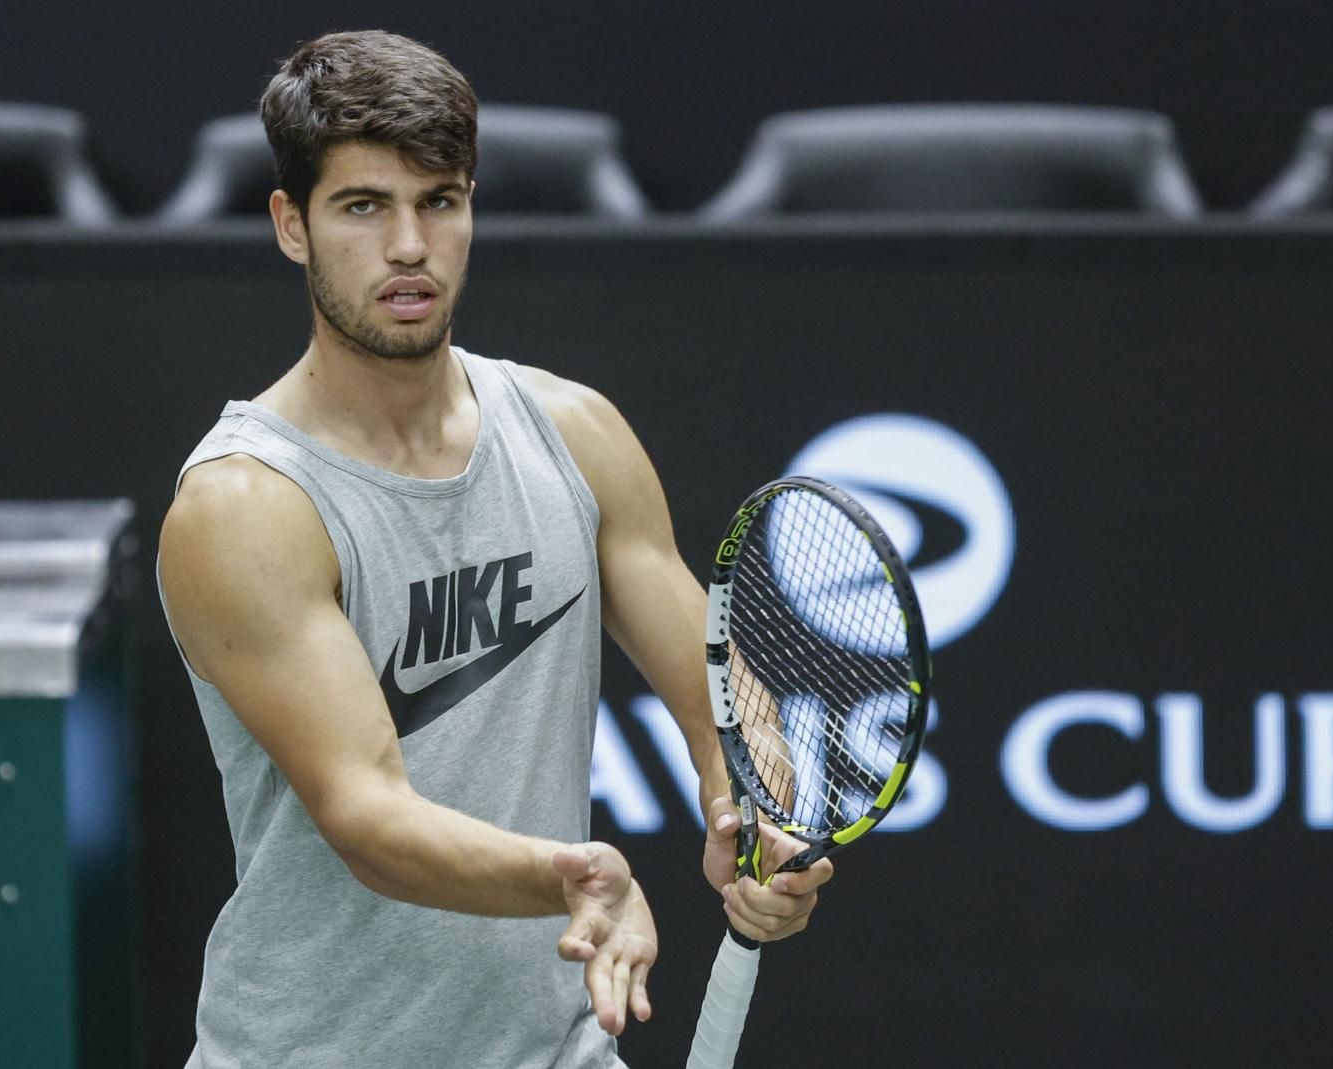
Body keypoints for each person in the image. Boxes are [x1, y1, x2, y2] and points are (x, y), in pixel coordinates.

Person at [157, 30, 832, 1069]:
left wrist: (749, 799)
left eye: (439, 200)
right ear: (291, 226)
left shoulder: (574, 434)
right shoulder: (245, 506)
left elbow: (717, 689)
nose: (410, 247)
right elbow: (368, 814)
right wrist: (576, 876)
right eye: (362, 206)